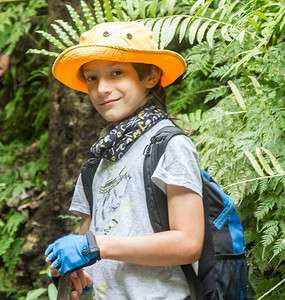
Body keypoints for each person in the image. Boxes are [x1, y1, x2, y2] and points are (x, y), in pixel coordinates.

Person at [45, 21, 204, 300]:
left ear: (151, 76)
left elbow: (188, 243)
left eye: (116, 73)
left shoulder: (169, 145)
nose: (102, 88)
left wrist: (94, 246)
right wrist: (80, 276)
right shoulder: (97, 160)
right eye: (91, 78)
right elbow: (90, 242)